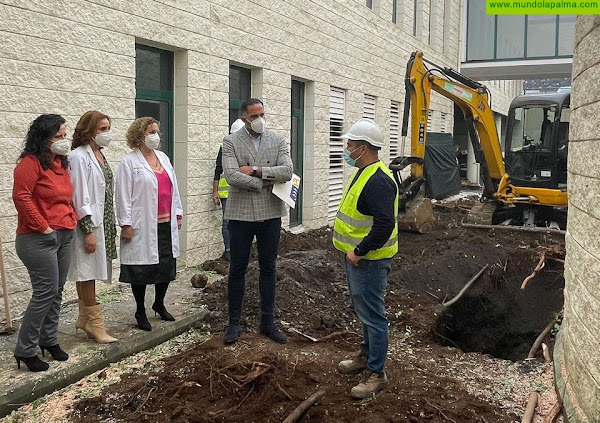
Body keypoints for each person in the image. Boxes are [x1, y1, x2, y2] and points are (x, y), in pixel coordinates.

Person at [332, 119, 398, 399]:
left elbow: (384, 225)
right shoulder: (365, 172)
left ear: (362, 148)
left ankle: (376, 373)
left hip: (369, 260)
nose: (346, 148)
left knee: (373, 316)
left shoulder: (379, 181)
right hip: (359, 259)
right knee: (365, 313)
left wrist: (359, 252)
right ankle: (366, 356)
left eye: (349, 144)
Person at [221, 98, 293, 344]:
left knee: (269, 267)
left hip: (270, 213)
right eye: (254, 116)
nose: (260, 119)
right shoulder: (230, 141)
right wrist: (264, 183)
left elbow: (287, 171)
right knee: (237, 269)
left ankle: (268, 322)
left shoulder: (277, 140)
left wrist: (255, 170)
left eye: (262, 114)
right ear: (244, 118)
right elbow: (230, 175)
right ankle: (233, 324)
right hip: (240, 215)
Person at [12, 114, 78, 371]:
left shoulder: (60, 163)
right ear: (43, 138)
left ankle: (48, 340)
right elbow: (21, 197)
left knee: (57, 291)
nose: (64, 140)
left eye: (65, 135)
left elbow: (64, 198)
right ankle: (25, 349)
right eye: (58, 136)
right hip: (37, 238)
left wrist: (70, 221)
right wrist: (44, 227)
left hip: (64, 234)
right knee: (45, 292)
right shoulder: (30, 164)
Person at [115, 117, 183, 332]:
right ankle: (140, 310)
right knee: (142, 269)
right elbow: (122, 194)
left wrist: (178, 212)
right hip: (142, 224)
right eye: (151, 132)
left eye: (157, 131)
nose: (156, 136)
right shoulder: (129, 161)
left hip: (165, 221)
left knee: (165, 265)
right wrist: (125, 223)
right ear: (139, 135)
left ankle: (159, 304)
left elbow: (174, 188)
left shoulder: (163, 157)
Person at [68, 111, 118, 344]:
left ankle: (83, 319)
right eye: (102, 129)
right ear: (88, 131)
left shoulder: (99, 155)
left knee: (90, 273)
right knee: (87, 273)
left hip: (103, 222)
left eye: (108, 128)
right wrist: (88, 230)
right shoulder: (78, 157)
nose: (106, 134)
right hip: (88, 225)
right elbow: (79, 195)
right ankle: (96, 324)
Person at [212, 119, 245, 261]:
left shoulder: (248, 149)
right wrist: (215, 191)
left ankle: (242, 249)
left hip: (243, 191)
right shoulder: (224, 149)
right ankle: (229, 250)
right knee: (227, 223)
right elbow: (218, 171)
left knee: (243, 222)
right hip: (227, 193)